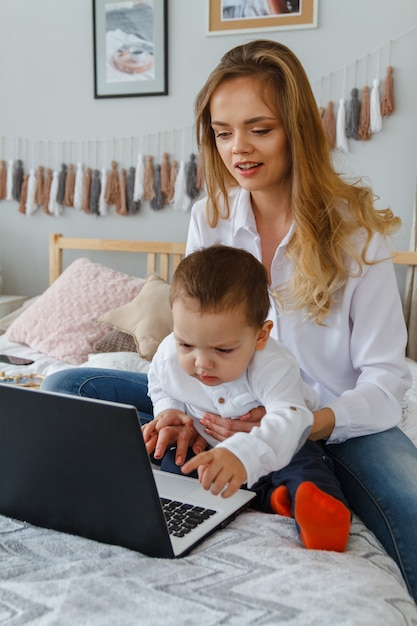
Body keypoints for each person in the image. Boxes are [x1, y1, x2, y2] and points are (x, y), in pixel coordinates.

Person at [41, 40, 417, 601]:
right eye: (222, 132)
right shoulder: (210, 216)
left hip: (330, 422)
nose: (238, 148)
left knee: (412, 510)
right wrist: (176, 409)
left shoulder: (356, 234)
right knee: (66, 385)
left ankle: (290, 480)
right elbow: (187, 338)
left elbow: (387, 384)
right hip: (217, 407)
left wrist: (297, 424)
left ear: (297, 130)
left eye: (259, 129)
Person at [143, 244, 351, 552]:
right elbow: (159, 382)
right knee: (178, 464)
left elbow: (290, 419)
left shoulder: (272, 364)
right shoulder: (168, 353)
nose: (202, 363)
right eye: (186, 345)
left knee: (305, 464)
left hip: (280, 441)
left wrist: (243, 455)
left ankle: (325, 518)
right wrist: (168, 410)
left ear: (260, 336)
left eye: (222, 350)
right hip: (208, 444)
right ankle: (271, 498)